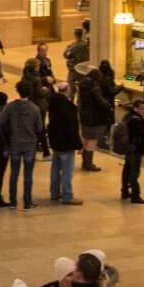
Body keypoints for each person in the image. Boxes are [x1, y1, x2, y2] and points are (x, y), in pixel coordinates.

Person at [1, 79, 42, 209]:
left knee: (14, 173)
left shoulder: (10, 107)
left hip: (15, 143)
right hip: (30, 144)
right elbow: (39, 128)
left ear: (18, 91)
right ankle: (27, 202)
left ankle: (13, 201)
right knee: (28, 175)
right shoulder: (35, 108)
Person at [46, 78, 83, 206]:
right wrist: (78, 144)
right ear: (66, 90)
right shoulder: (68, 107)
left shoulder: (53, 103)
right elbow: (72, 127)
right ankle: (67, 195)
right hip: (66, 142)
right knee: (67, 170)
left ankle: (54, 192)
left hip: (56, 140)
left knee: (55, 168)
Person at [118, 99, 144, 204]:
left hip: (128, 147)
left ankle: (125, 191)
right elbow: (143, 132)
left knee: (127, 169)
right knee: (134, 172)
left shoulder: (127, 116)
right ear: (135, 108)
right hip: (135, 148)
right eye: (141, 109)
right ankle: (135, 195)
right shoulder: (136, 120)